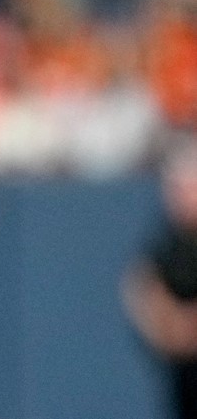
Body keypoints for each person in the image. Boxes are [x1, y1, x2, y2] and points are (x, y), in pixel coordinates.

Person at [123, 140, 197, 419]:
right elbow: (143, 291)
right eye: (176, 188)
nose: (182, 196)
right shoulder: (167, 247)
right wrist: (172, 326)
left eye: (189, 187)